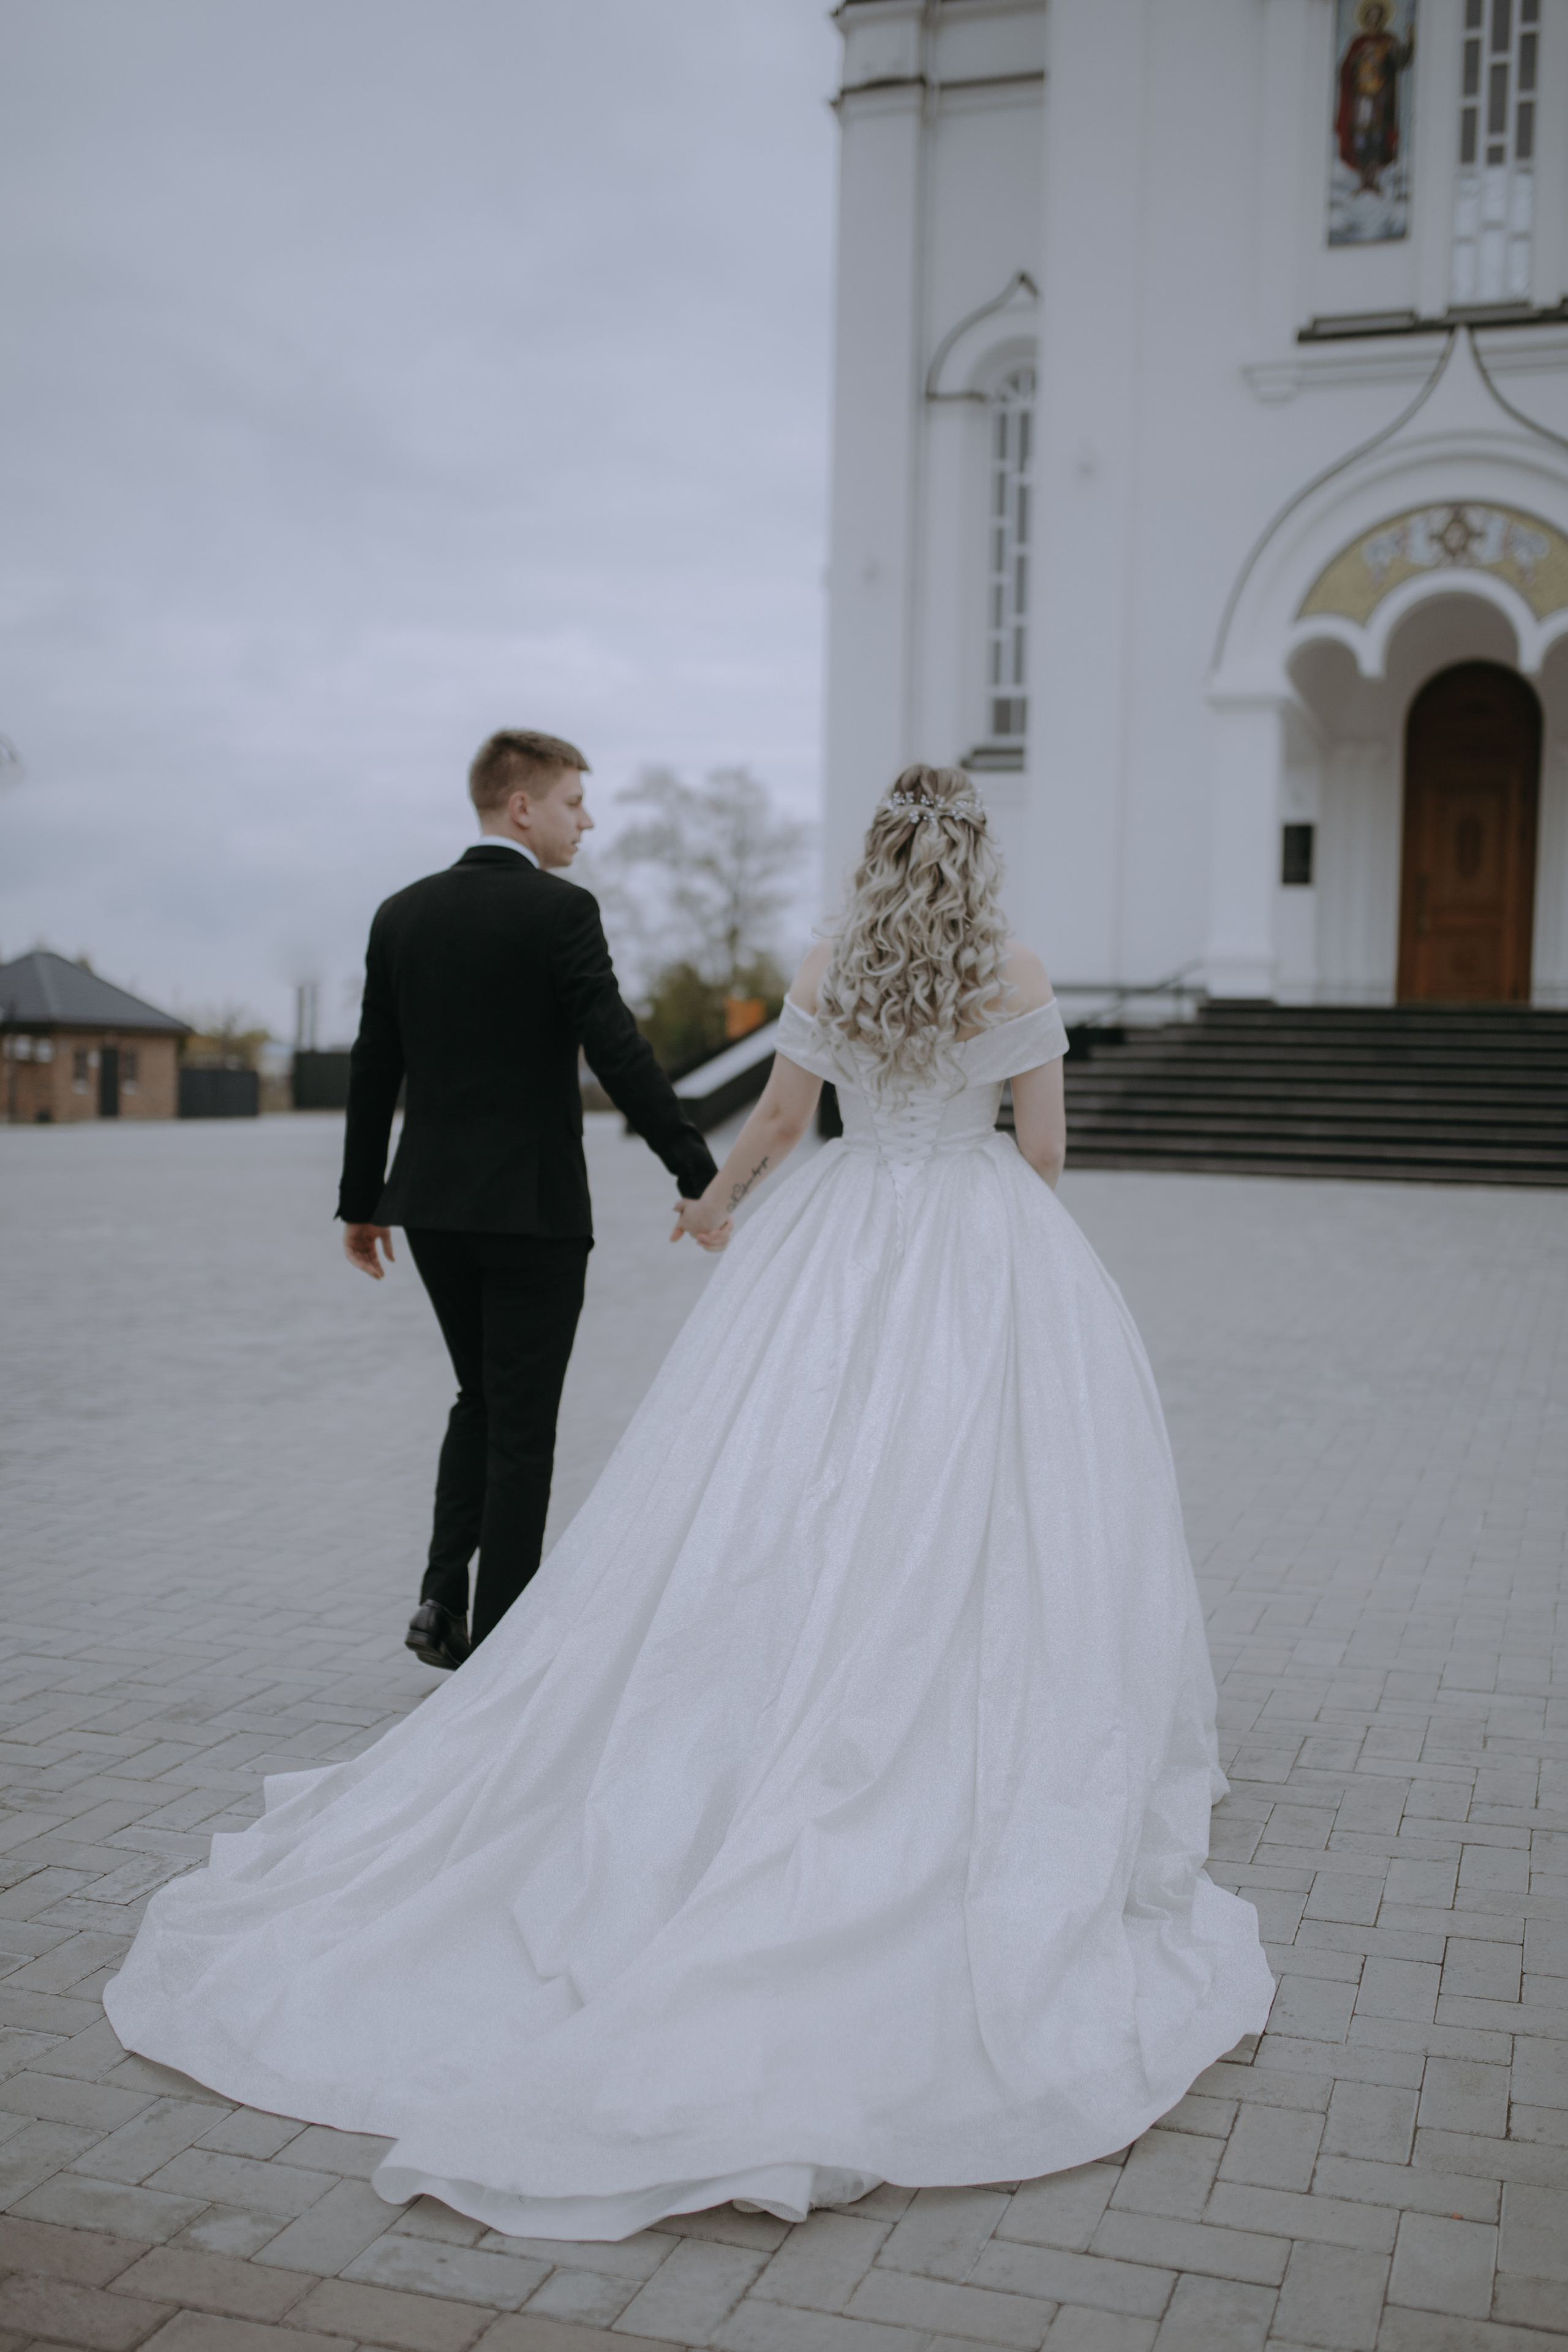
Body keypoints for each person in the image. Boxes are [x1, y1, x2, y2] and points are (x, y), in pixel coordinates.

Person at [105, 764, 1274, 2241]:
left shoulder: (830, 962)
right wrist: (997, 1245)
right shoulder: (1018, 970)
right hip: (975, 1242)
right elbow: (1037, 1155)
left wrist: (715, 1207)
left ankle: (766, 1691)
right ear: (975, 860)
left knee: (777, 1491)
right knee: (964, 1499)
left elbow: (784, 1122)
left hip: (838, 1244)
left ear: (875, 857)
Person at [335, 728, 718, 1670]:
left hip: (430, 1208)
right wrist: (697, 1170)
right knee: (523, 1427)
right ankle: (502, 1655)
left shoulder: (400, 915)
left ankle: (440, 1597)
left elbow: (374, 1064)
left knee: (481, 1397)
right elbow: (615, 1047)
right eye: (574, 802)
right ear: (521, 807)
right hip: (534, 1216)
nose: (587, 820)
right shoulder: (562, 913)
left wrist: (361, 1200)